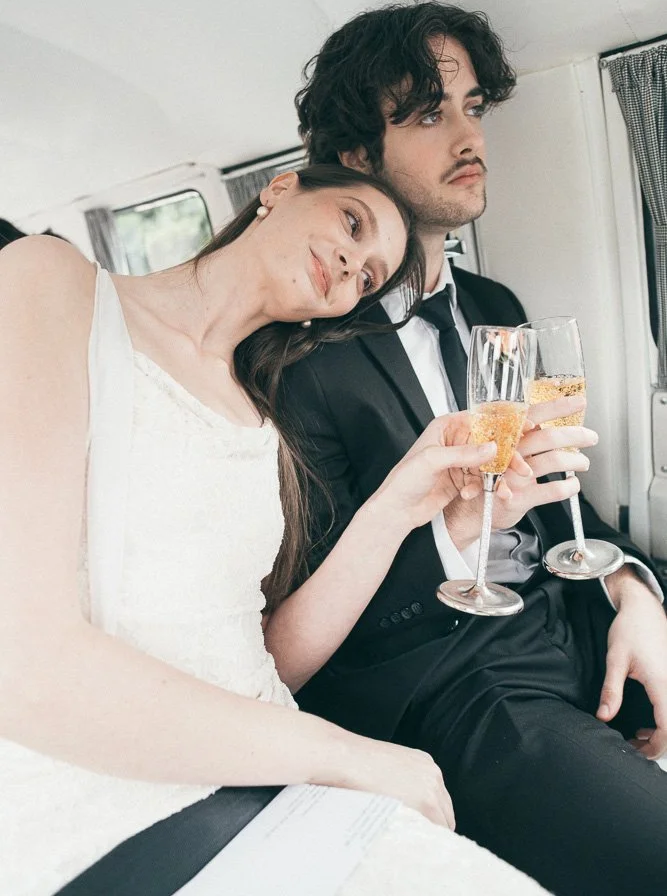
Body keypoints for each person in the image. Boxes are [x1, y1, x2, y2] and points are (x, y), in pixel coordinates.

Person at [0, 164, 548, 896]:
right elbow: (25, 670)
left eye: (369, 277)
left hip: (271, 781)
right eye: (352, 223)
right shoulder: (55, 281)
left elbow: (256, 665)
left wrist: (398, 506)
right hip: (112, 798)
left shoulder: (264, 415)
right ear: (280, 189)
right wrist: (348, 754)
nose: (355, 265)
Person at [279, 1, 667, 896]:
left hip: (574, 618)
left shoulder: (495, 303)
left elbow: (556, 497)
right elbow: (319, 613)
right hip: (459, 680)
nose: (467, 135)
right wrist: (454, 535)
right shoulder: (302, 359)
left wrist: (632, 591)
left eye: (470, 107)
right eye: (425, 113)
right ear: (357, 156)